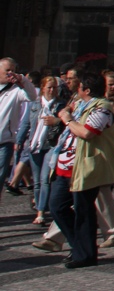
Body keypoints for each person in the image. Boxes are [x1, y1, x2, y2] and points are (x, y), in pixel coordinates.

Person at [49, 71, 114, 269]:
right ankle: (80, 246)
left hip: (86, 166)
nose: (76, 90)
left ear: (86, 90)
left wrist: (68, 120)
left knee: (83, 211)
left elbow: (87, 133)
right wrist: (66, 114)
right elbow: (67, 112)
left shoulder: (103, 109)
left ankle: (85, 254)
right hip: (66, 165)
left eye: (79, 87)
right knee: (57, 207)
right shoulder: (81, 104)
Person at [22, 76, 66, 226]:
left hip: (51, 145)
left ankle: (41, 212)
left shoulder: (61, 105)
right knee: (36, 182)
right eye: (49, 87)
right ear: (43, 88)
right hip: (35, 144)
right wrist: (19, 141)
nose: (52, 90)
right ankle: (39, 207)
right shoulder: (35, 104)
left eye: (54, 87)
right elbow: (26, 123)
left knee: (44, 178)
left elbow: (66, 121)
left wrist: (57, 120)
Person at [0, 57, 38, 207]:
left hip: (4, 142)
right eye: (7, 70)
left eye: (13, 71)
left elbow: (32, 96)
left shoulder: (17, 91)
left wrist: (22, 79)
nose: (10, 74)